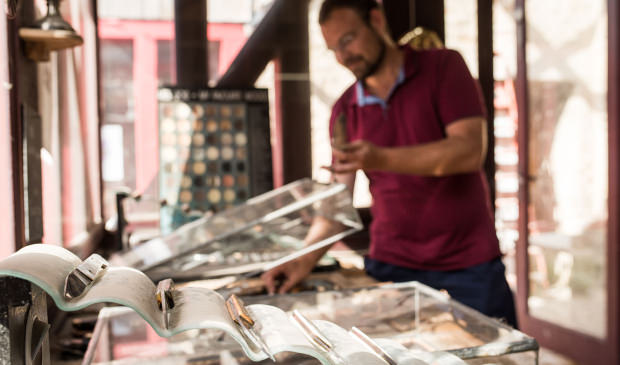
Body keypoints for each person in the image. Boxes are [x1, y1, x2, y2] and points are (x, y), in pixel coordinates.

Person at [261, 0, 517, 328]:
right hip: (391, 266)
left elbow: (468, 151)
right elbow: (337, 205)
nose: (343, 56)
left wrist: (379, 157)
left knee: (501, 357)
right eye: (333, 49)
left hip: (468, 265)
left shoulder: (444, 67)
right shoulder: (345, 110)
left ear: (377, 20)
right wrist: (302, 258)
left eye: (348, 39)